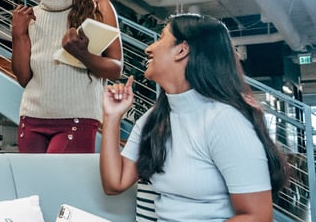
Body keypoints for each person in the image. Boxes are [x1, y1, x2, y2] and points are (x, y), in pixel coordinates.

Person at [100, 14, 289, 221]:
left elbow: (258, 217)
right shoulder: (153, 118)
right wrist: (112, 117)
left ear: (182, 50)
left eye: (161, 37)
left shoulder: (224, 120)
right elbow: (114, 183)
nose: (149, 48)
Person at [11, 0, 123, 153]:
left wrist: (83, 55)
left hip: (77, 117)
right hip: (32, 117)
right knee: (32, 187)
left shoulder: (100, 8)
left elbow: (116, 69)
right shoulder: (29, 16)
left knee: (61, 186)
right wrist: (18, 36)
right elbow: (24, 79)